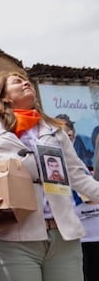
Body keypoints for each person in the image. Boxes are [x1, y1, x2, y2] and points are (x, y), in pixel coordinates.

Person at [0, 70, 99, 281]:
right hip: (14, 235)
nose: (27, 83)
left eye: (28, 81)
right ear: (4, 96)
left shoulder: (55, 130)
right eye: (18, 81)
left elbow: (78, 175)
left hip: (63, 235)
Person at [56, 114, 99, 281]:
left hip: (95, 229)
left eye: (69, 130)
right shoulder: (52, 159)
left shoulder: (83, 155)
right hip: (76, 232)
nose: (68, 134)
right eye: (62, 131)